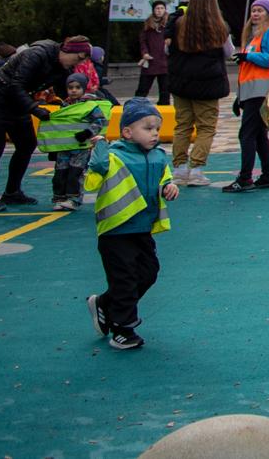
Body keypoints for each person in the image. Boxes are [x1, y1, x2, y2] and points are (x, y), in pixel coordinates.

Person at [85, 96, 177, 351]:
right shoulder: (114, 156)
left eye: (157, 128)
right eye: (147, 128)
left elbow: (164, 176)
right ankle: (122, 328)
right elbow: (93, 180)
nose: (155, 134)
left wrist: (168, 186)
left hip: (143, 229)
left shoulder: (158, 157)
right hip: (116, 231)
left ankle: (105, 303)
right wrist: (99, 152)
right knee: (124, 279)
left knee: (148, 272)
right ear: (127, 131)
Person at [0, 37, 71, 211]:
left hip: (16, 105)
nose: (78, 62)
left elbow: (64, 88)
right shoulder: (37, 55)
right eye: (78, 58)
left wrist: (77, 103)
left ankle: (12, 192)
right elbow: (16, 85)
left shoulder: (61, 66)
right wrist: (34, 108)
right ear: (68, 52)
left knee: (27, 144)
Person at [166, 0, 235, 186]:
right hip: (208, 82)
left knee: (182, 125)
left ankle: (179, 168)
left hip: (182, 80)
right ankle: (196, 169)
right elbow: (229, 52)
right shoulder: (218, 25)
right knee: (206, 127)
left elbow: (168, 51)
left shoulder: (179, 23)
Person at [219, 0, 269, 193]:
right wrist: (240, 97)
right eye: (253, 10)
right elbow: (249, 71)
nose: (255, 14)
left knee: (247, 134)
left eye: (260, 10)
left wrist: (250, 56)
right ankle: (268, 175)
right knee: (258, 135)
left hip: (262, 92)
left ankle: (246, 177)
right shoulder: (254, 36)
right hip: (253, 92)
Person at [39, 72, 111, 211]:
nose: (73, 90)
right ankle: (60, 198)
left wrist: (87, 133)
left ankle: (74, 199)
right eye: (70, 87)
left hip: (81, 146)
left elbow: (100, 120)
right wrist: (54, 146)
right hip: (64, 146)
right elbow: (60, 126)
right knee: (60, 173)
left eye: (77, 87)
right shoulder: (65, 105)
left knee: (75, 172)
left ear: (84, 88)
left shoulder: (90, 105)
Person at [134, 4, 171, 104]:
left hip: (165, 61)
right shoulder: (148, 25)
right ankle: (136, 107)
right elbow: (143, 41)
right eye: (157, 8)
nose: (159, 11)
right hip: (151, 60)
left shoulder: (169, 24)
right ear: (153, 10)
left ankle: (164, 110)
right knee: (143, 89)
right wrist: (144, 53)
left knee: (165, 90)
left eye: (162, 8)